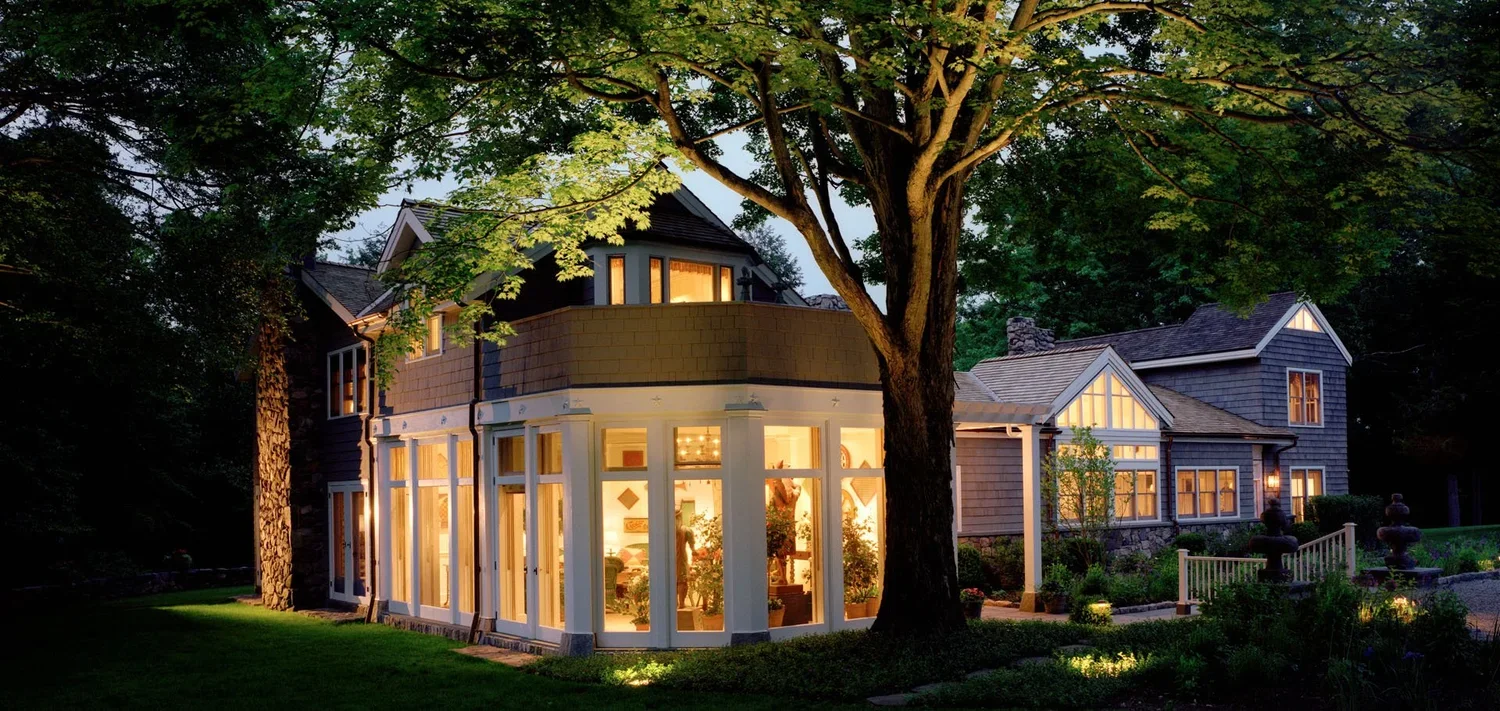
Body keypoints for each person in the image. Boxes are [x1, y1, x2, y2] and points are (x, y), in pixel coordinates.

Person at [675, 507, 696, 608]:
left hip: (668, 559)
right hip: (681, 558)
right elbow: (692, 547)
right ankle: (682, 604)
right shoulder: (686, 530)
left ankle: (674, 603)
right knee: (682, 580)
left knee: (672, 581)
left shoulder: (665, 529)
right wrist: (694, 552)